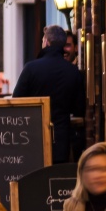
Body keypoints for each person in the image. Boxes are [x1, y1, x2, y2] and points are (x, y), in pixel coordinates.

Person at [13, 25, 85, 163]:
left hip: (31, 134)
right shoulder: (73, 72)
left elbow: (16, 101)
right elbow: (79, 108)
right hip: (61, 136)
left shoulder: (31, 68)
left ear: (46, 42)